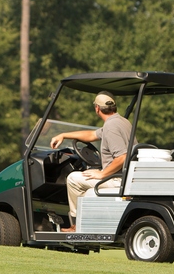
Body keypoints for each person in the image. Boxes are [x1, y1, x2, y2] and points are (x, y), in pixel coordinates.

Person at [48, 91, 134, 232]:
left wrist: (102, 174)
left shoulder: (111, 127)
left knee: (73, 179)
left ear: (97, 109)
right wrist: (63, 135)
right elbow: (92, 135)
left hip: (117, 179)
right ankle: (87, 220)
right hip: (124, 177)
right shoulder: (121, 122)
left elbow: (122, 157)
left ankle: (76, 225)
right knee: (85, 184)